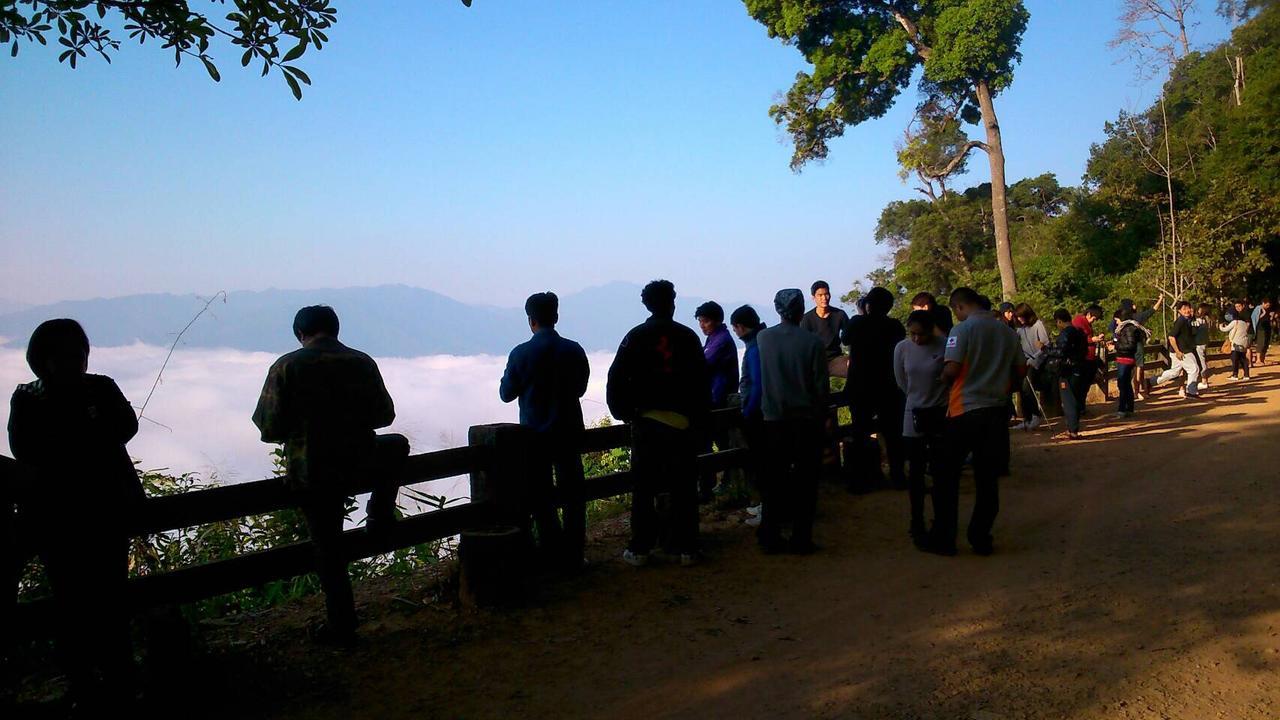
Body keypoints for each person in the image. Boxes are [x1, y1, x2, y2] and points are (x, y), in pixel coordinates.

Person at [8, 319, 142, 709]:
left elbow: (26, 451)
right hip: (91, 511)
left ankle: (95, 683)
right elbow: (122, 428)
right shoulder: (96, 390)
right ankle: (109, 681)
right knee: (97, 598)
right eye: (65, 354)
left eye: (77, 353)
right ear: (43, 359)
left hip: (62, 514)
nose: (75, 361)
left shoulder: (34, 398)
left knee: (79, 600)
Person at [252, 305, 405, 644]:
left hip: (314, 470)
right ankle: (380, 514)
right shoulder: (361, 362)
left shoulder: (287, 366)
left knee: (328, 547)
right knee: (397, 445)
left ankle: (342, 624)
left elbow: (269, 427)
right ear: (336, 330)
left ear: (300, 335)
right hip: (361, 463)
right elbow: (385, 416)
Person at [606, 280, 708, 567]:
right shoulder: (688, 337)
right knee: (684, 487)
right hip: (681, 425)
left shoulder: (635, 337)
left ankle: (641, 548)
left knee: (644, 487)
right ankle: (686, 547)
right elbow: (702, 383)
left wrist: (624, 413)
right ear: (673, 303)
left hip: (647, 424)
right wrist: (700, 421)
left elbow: (616, 379)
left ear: (647, 305)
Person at [928, 287, 1023, 557]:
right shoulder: (1007, 332)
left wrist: (942, 379)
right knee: (987, 479)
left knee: (946, 476)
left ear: (959, 307)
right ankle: (980, 537)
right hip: (995, 411)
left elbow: (953, 368)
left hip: (963, 411)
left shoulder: (963, 331)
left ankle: (945, 538)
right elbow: (1019, 372)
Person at [499, 292, 591, 571]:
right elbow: (580, 389)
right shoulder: (574, 350)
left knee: (541, 497)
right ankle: (574, 554)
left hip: (535, 438)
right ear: (556, 317)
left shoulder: (520, 353)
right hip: (569, 433)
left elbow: (506, 393)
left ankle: (551, 553)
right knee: (574, 496)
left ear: (531, 320)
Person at [755, 289, 828, 554]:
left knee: (774, 481)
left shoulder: (763, 338)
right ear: (800, 310)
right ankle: (801, 538)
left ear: (777, 309)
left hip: (773, 420)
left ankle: (770, 536)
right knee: (806, 482)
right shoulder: (813, 343)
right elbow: (821, 387)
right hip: (805, 421)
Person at [841, 287, 907, 492]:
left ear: (867, 305)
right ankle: (897, 475)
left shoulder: (857, 323)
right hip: (888, 386)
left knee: (860, 433)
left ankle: (861, 480)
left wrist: (862, 314)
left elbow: (845, 339)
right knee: (893, 433)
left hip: (860, 386)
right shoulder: (895, 326)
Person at [892, 310, 947, 549]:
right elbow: (901, 380)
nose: (916, 339)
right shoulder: (902, 348)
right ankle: (917, 520)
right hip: (913, 411)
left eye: (920, 334)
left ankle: (940, 519)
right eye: (912, 334)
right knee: (915, 471)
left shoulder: (944, 345)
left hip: (939, 411)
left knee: (939, 468)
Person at [695, 301, 739, 501]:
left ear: (716, 320)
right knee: (720, 441)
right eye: (700, 321)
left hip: (718, 398)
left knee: (717, 442)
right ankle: (720, 483)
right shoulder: (715, 338)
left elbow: (703, 367)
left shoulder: (719, 341)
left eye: (705, 321)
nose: (702, 325)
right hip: (716, 396)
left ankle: (719, 484)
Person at [730, 305, 766, 527]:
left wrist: (748, 411)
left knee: (761, 462)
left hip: (758, 413)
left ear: (741, 327)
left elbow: (757, 384)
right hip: (771, 410)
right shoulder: (765, 340)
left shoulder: (754, 348)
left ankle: (766, 508)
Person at [1149, 301, 1202, 398]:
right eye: (1184, 309)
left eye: (1188, 308)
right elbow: (1171, 337)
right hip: (1182, 351)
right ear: (1179, 311)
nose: (1187, 310)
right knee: (1194, 369)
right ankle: (1191, 392)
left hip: (1180, 350)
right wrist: (1177, 351)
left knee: (1174, 372)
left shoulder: (1188, 320)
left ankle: (1151, 381)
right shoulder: (1180, 321)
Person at [1050, 309, 1089, 438]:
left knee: (1068, 400)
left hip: (1068, 370)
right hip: (1080, 368)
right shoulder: (1079, 332)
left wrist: (1045, 349)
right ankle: (1074, 428)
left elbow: (1061, 352)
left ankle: (1072, 430)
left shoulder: (1066, 334)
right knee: (1076, 398)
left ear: (1059, 321)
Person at [1013, 303, 1049, 431]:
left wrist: (1034, 359)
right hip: (1024, 361)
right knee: (1022, 390)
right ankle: (1027, 418)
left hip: (1036, 362)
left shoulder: (1038, 325)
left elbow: (1045, 344)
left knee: (1027, 388)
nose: (1019, 319)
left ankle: (1036, 414)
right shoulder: (1020, 329)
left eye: (1021, 316)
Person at [800, 281, 850, 367]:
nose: (824, 298)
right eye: (820, 295)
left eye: (826, 294)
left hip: (836, 358)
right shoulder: (806, 319)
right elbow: (803, 345)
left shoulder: (840, 314)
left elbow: (850, 337)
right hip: (815, 360)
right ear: (813, 297)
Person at [1112, 307, 1151, 418]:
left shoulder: (1128, 329)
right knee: (1126, 385)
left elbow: (1130, 345)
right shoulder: (1127, 328)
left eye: (1117, 319)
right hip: (1124, 358)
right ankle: (1129, 408)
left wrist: (1115, 346)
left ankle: (1122, 409)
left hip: (1126, 359)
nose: (1116, 322)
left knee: (1123, 385)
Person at [1073, 305, 1108, 404]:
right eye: (1094, 318)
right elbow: (1078, 339)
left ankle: (1082, 405)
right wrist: (1092, 339)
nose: (1094, 321)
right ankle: (1079, 406)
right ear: (1088, 314)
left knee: (1086, 383)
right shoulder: (1078, 322)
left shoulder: (1086, 323)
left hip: (1090, 358)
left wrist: (1097, 339)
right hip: (1084, 358)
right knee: (1082, 384)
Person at [1219, 301, 1251, 381]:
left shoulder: (1234, 322)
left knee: (1235, 360)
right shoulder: (1243, 323)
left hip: (1236, 344)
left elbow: (1224, 329)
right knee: (1243, 359)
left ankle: (1235, 375)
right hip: (1243, 343)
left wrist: (1220, 325)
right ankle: (1246, 375)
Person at [1193, 303, 1213, 388]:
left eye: (1199, 309)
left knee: (1202, 362)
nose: (1198, 310)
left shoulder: (1200, 321)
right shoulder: (1208, 320)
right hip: (1204, 343)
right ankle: (1203, 380)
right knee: (1202, 361)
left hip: (1199, 344)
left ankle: (1204, 381)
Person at [1252, 297, 1273, 366]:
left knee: (1266, 344)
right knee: (1260, 343)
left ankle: (1262, 359)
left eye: (1269, 305)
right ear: (1263, 303)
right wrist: (1263, 313)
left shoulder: (1268, 309)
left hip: (1267, 327)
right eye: (1267, 305)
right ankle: (1258, 360)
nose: (1268, 306)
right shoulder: (1258, 309)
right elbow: (1255, 318)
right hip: (1260, 328)